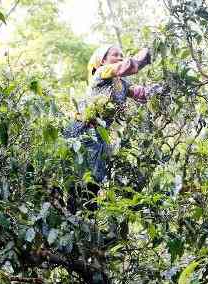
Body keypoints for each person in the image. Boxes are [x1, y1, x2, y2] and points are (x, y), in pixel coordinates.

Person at [63, 45, 156, 212]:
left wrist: (160, 90)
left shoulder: (121, 84)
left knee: (94, 181)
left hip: (98, 134)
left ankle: (87, 226)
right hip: (81, 129)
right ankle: (72, 219)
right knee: (80, 179)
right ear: (103, 60)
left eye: (122, 54)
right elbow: (128, 66)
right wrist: (144, 53)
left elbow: (141, 93)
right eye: (115, 55)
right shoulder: (102, 73)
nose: (120, 57)